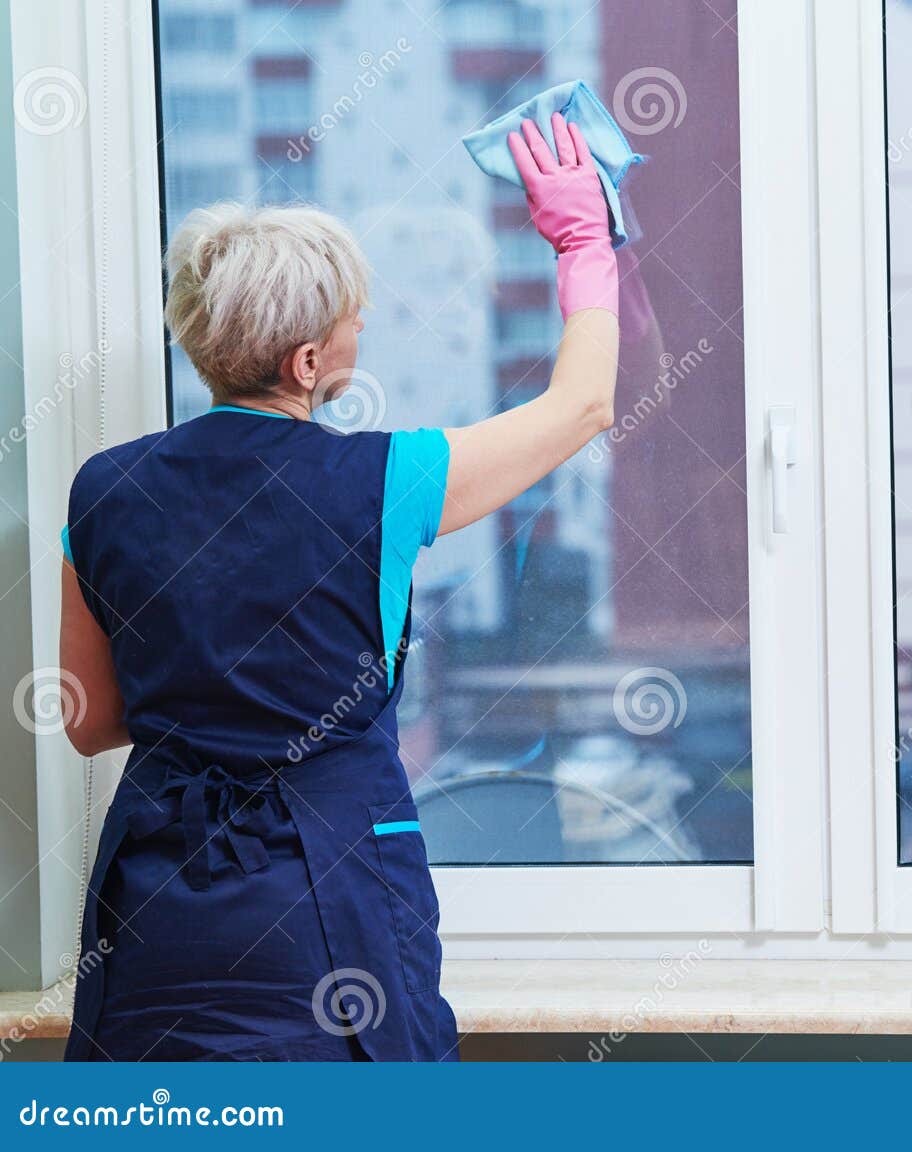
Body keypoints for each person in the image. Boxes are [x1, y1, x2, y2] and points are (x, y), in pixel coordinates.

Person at [57, 114, 617, 1060]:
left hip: (157, 908)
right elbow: (583, 404)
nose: (364, 325)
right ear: (306, 363)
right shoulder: (386, 481)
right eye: (352, 316)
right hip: (330, 906)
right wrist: (583, 241)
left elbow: (89, 722)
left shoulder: (101, 489)